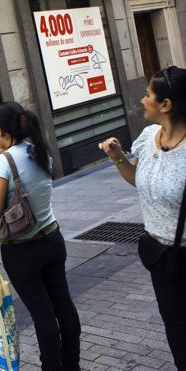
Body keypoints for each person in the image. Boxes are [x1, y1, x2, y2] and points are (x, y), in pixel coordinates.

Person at [99, 66, 186, 368]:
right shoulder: (149, 137)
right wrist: (117, 156)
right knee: (177, 333)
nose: (141, 99)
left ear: (166, 104)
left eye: (148, 94)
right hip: (161, 259)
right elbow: (140, 181)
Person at [0, 101, 81, 370]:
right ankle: (71, 364)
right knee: (63, 305)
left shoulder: (1, 163)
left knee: (43, 315)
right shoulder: (40, 152)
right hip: (52, 239)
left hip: (21, 250)